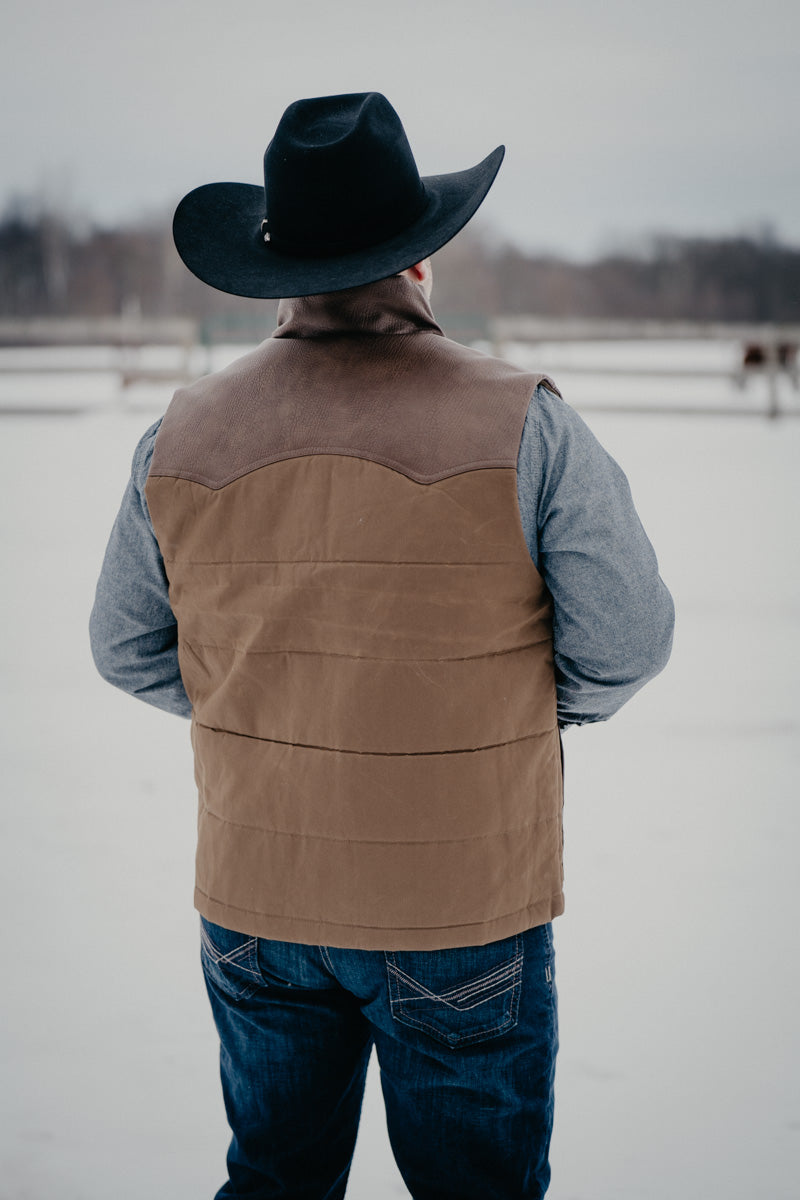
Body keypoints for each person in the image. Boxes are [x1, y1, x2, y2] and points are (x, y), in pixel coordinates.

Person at [89, 92, 674, 1200]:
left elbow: (124, 646)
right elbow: (627, 643)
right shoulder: (524, 421)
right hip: (459, 906)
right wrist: (486, 715)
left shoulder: (179, 431)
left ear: (279, 272)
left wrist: (272, 707)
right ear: (418, 264)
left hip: (256, 897)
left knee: (271, 1179)